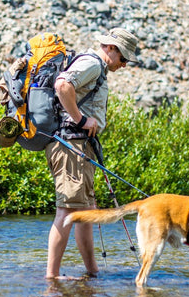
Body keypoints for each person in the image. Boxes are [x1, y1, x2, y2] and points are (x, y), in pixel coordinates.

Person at [45, 27, 140, 279]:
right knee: (66, 210)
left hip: (80, 145)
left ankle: (92, 272)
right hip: (70, 143)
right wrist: (80, 119)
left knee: (86, 210)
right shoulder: (93, 63)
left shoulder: (97, 67)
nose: (125, 64)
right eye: (124, 58)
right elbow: (62, 85)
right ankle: (52, 277)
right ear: (111, 48)